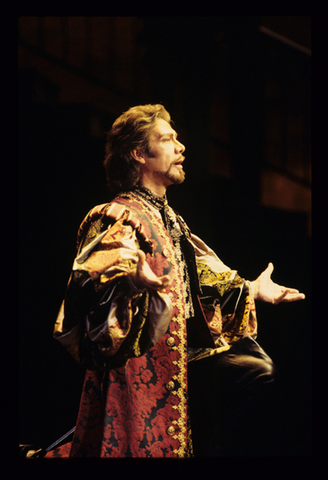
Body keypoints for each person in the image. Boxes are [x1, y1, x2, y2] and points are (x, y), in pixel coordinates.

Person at [45, 104, 305, 458]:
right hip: (142, 364)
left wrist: (252, 289)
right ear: (139, 153)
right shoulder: (118, 216)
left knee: (259, 372)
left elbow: (201, 281)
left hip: (182, 358)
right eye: (167, 139)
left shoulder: (171, 220)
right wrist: (129, 280)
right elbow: (95, 279)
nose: (181, 148)